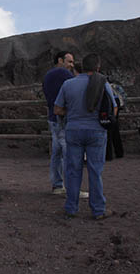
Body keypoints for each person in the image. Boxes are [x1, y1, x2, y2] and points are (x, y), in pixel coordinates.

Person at [54, 53, 117, 220]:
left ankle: (71, 208)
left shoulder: (68, 84)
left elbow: (57, 110)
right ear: (97, 67)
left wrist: (73, 113)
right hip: (96, 131)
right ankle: (98, 210)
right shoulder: (103, 84)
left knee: (73, 170)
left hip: (73, 130)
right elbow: (114, 108)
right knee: (95, 170)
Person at [43, 51, 90, 198]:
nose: (72, 65)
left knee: (56, 153)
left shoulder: (47, 76)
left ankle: (57, 185)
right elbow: (78, 89)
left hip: (52, 117)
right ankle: (73, 188)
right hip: (63, 118)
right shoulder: (63, 74)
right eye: (69, 61)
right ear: (60, 60)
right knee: (69, 152)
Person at [106, 82, 125, 160]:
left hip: (111, 106)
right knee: (115, 131)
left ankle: (108, 155)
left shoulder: (104, 85)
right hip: (116, 105)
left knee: (108, 133)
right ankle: (119, 152)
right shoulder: (114, 87)